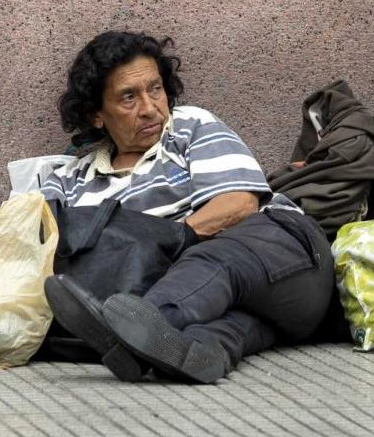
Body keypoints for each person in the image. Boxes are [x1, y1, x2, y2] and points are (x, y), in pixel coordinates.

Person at [40, 31, 333, 383]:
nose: (150, 108)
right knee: (223, 331)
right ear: (96, 114)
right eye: (129, 98)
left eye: (156, 89)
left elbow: (239, 203)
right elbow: (24, 242)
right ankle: (191, 354)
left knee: (211, 259)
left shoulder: (190, 127)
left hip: (284, 260)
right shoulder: (69, 179)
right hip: (240, 309)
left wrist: (171, 239)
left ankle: (136, 327)